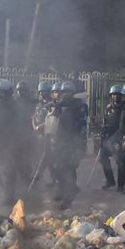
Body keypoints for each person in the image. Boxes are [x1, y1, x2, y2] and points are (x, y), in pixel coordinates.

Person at [49, 81, 87, 210]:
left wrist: (81, 145)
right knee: (58, 168)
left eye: (68, 92)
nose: (66, 94)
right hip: (60, 141)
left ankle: (68, 198)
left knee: (69, 169)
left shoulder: (79, 106)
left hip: (73, 142)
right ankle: (62, 191)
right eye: (64, 92)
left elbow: (83, 127)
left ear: (73, 93)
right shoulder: (60, 105)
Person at [99, 85, 125, 190]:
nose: (116, 96)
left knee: (119, 161)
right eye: (114, 94)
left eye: (118, 95)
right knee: (102, 158)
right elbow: (105, 122)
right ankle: (110, 180)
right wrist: (103, 134)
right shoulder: (108, 108)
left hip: (119, 137)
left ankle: (121, 185)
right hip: (108, 137)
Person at [30, 81, 54, 186]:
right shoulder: (38, 104)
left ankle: (51, 178)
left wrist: (40, 126)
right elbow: (33, 116)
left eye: (43, 92)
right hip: (37, 134)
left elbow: (51, 118)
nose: (41, 94)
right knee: (38, 156)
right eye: (40, 92)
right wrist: (34, 126)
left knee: (47, 157)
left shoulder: (51, 104)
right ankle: (38, 177)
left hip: (46, 134)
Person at [15, 81, 38, 182]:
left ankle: (29, 175)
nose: (21, 92)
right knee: (18, 156)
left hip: (29, 130)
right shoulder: (15, 102)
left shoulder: (32, 101)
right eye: (19, 90)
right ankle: (22, 175)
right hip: (18, 132)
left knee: (28, 155)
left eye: (23, 90)